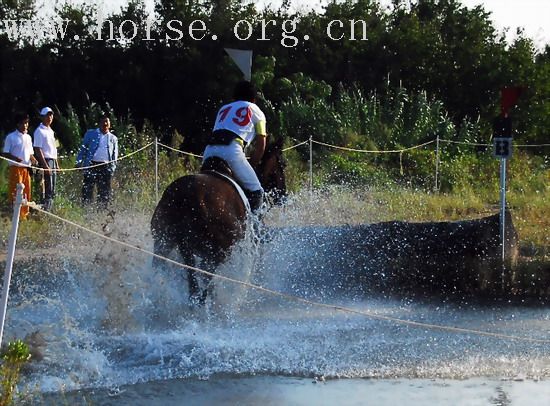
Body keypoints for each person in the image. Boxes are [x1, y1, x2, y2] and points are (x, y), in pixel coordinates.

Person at [202, 80, 267, 212]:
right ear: (254, 99)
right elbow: (261, 144)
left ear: (234, 97)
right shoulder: (256, 110)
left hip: (209, 151)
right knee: (257, 191)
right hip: (232, 151)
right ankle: (255, 229)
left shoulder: (223, 109)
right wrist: (253, 164)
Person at [75, 114, 119, 209]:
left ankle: (102, 211)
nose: (105, 123)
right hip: (92, 165)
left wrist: (112, 169)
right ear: (99, 123)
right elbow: (83, 149)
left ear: (110, 124)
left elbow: (115, 156)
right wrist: (79, 162)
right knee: (87, 189)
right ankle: (86, 209)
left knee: (104, 192)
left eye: (107, 121)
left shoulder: (113, 138)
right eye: (103, 121)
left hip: (106, 167)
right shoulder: (91, 134)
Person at [2, 112, 38, 219]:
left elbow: (30, 153)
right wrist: (15, 158)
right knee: (16, 190)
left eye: (26, 123)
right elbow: (5, 153)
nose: (25, 125)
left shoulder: (28, 137)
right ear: (17, 124)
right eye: (23, 123)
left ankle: (24, 214)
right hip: (15, 167)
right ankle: (14, 214)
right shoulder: (11, 137)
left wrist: (33, 159)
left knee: (27, 190)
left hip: (26, 168)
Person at [33, 106, 59, 211]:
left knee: (52, 187)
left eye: (51, 115)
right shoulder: (39, 131)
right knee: (46, 187)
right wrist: (45, 165)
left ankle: (49, 208)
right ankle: (44, 209)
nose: (50, 117)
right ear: (42, 117)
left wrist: (56, 164)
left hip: (52, 160)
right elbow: (38, 149)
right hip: (45, 161)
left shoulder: (51, 131)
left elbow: (55, 148)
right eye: (47, 115)